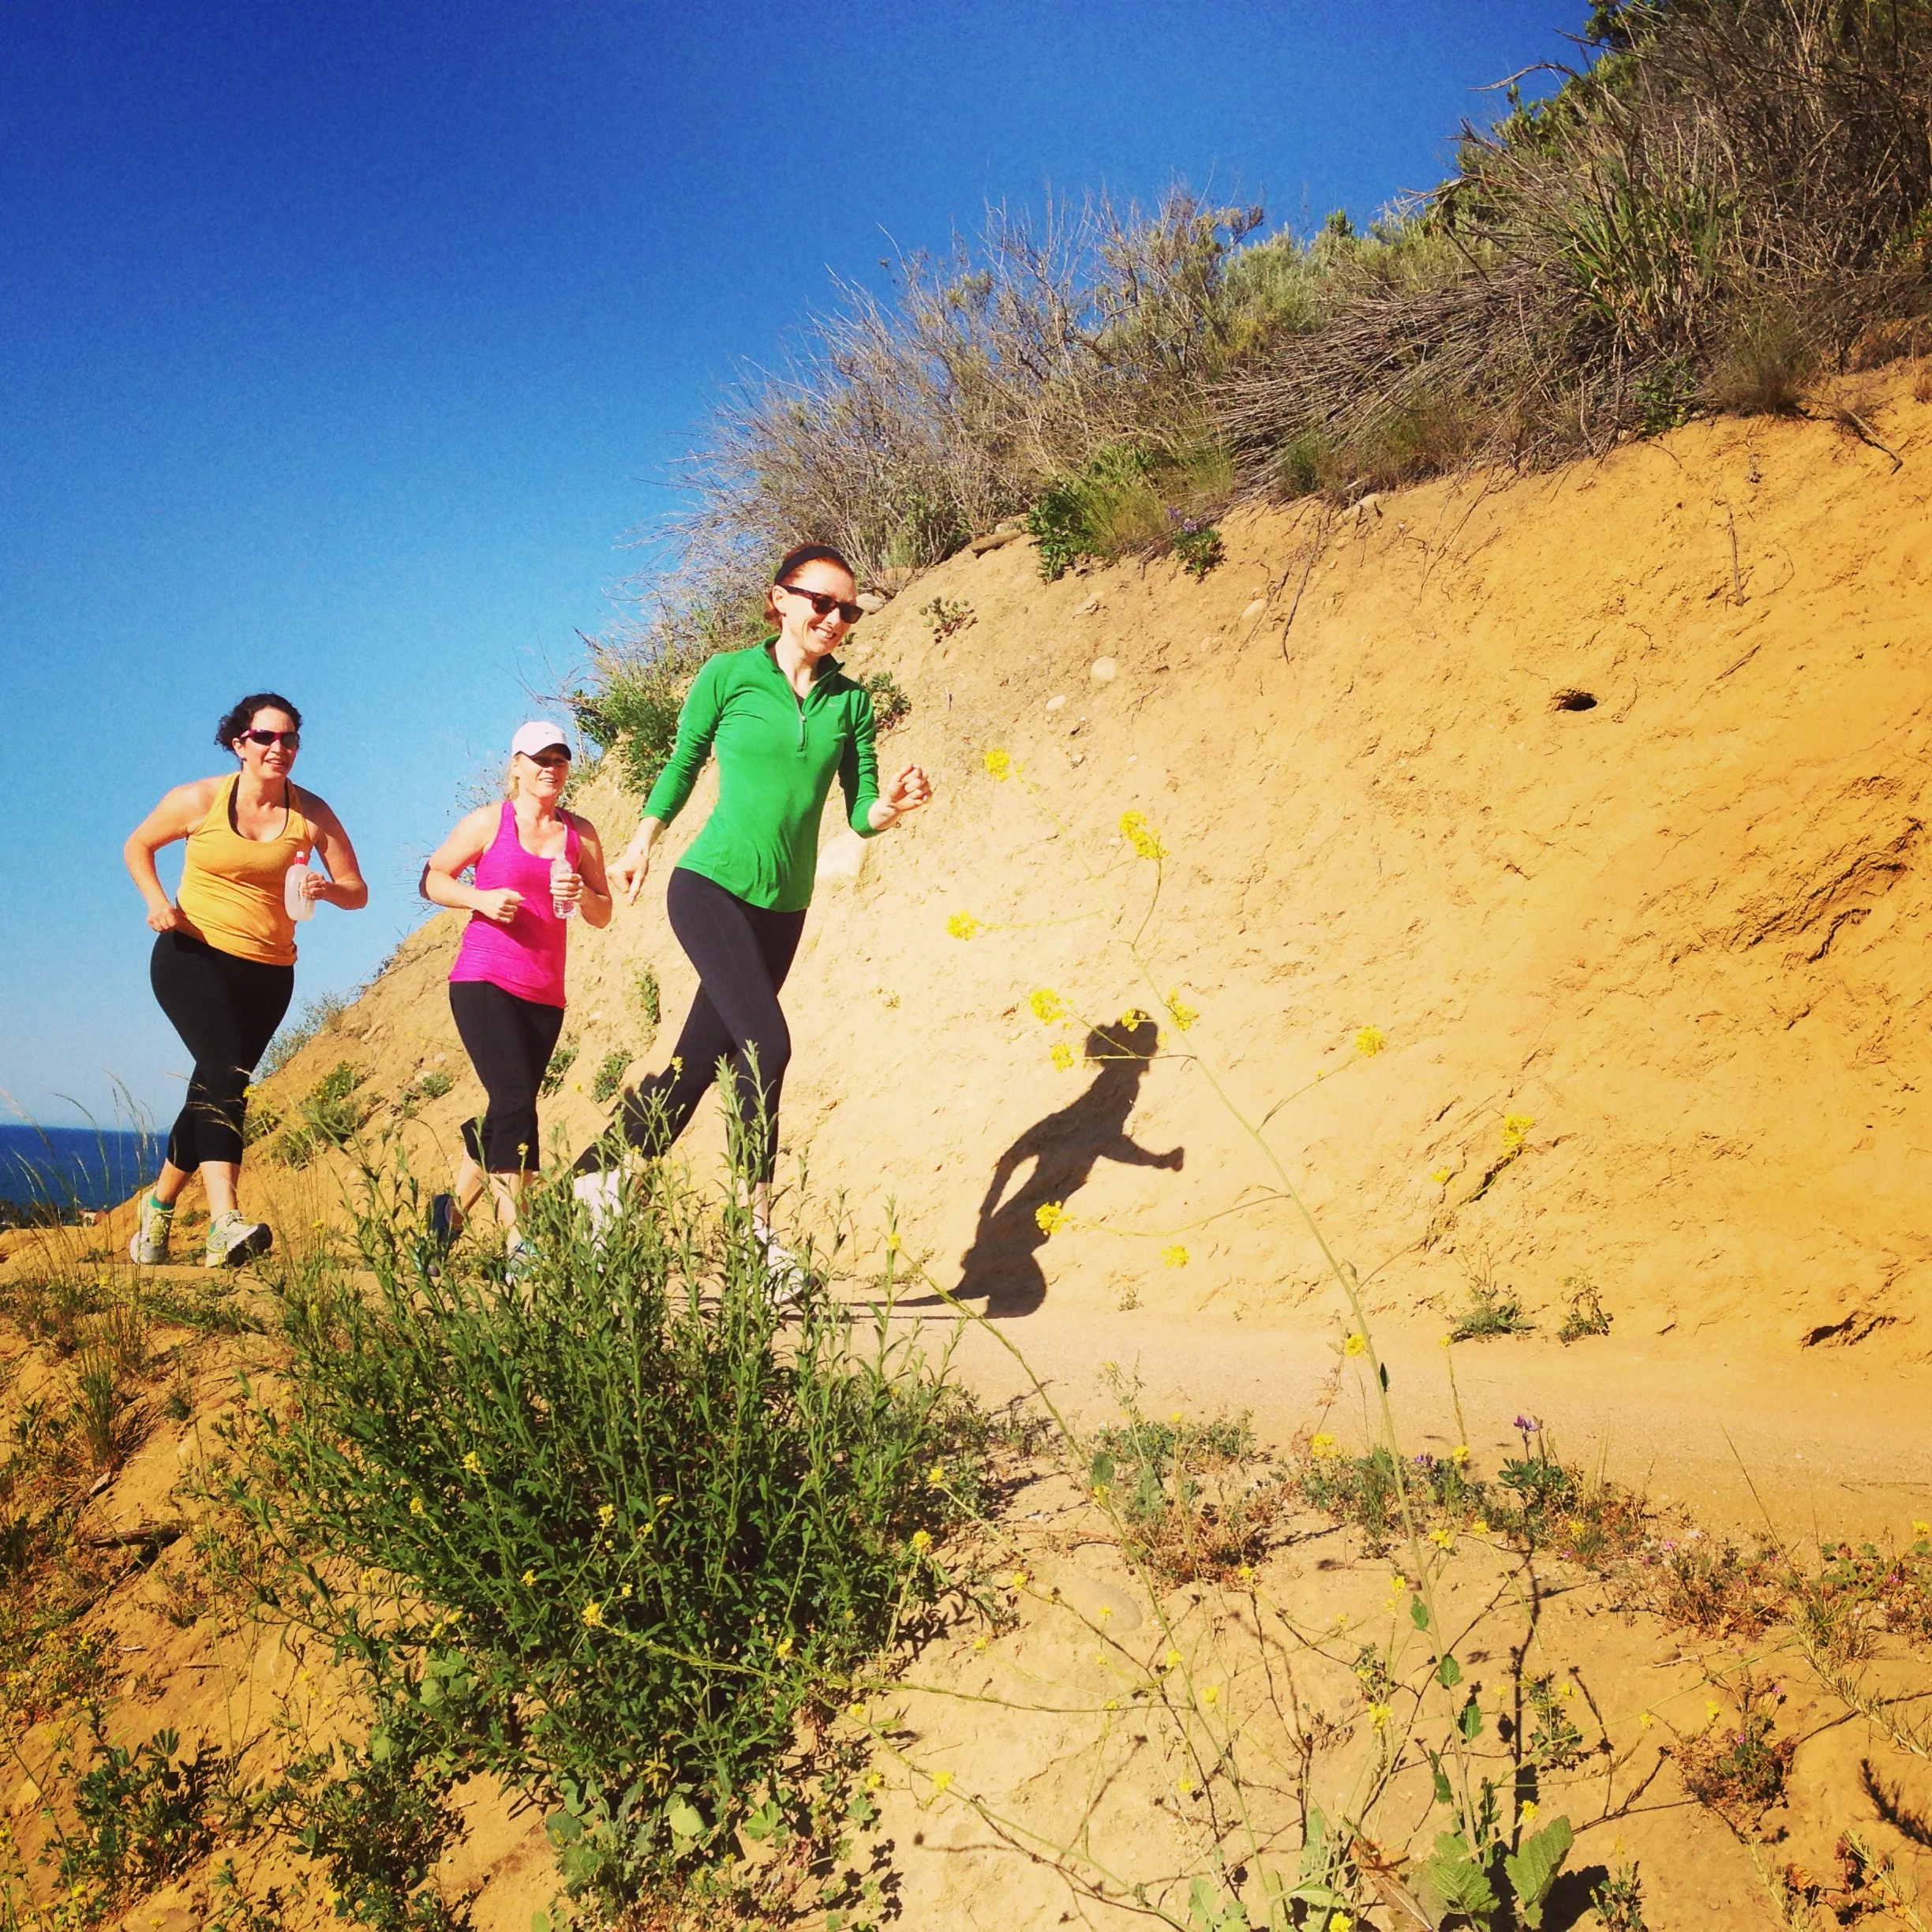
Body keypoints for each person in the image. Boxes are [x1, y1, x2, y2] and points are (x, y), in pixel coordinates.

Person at [578, 543, 932, 1279]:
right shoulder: (730, 674)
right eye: (821, 602)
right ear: (780, 598)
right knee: (766, 1046)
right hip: (709, 887)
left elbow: (859, 809)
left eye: (849, 609)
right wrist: (643, 840)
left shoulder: (851, 701)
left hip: (784, 910)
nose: (835, 618)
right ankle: (752, 1239)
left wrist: (889, 807)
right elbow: (682, 761)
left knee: (695, 1064)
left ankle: (595, 1179)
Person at [123, 693, 367, 1267]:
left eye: (289, 740)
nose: (277, 748)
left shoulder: (312, 814)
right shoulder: (198, 799)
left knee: (212, 1087)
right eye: (265, 738)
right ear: (240, 743)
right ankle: (223, 1223)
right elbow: (138, 845)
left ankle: (155, 1214)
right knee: (228, 1077)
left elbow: (358, 890)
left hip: (268, 973)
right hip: (192, 955)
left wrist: (325, 890)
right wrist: (157, 901)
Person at [421, 721, 612, 1262]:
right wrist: (478, 900)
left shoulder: (581, 835)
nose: (549, 768)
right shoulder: (489, 822)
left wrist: (579, 894)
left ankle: (449, 1217)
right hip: (482, 979)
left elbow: (603, 913)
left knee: (510, 1107)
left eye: (559, 758)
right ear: (516, 767)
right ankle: (517, 1238)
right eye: (538, 759)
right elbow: (433, 877)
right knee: (514, 1103)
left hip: (545, 990)